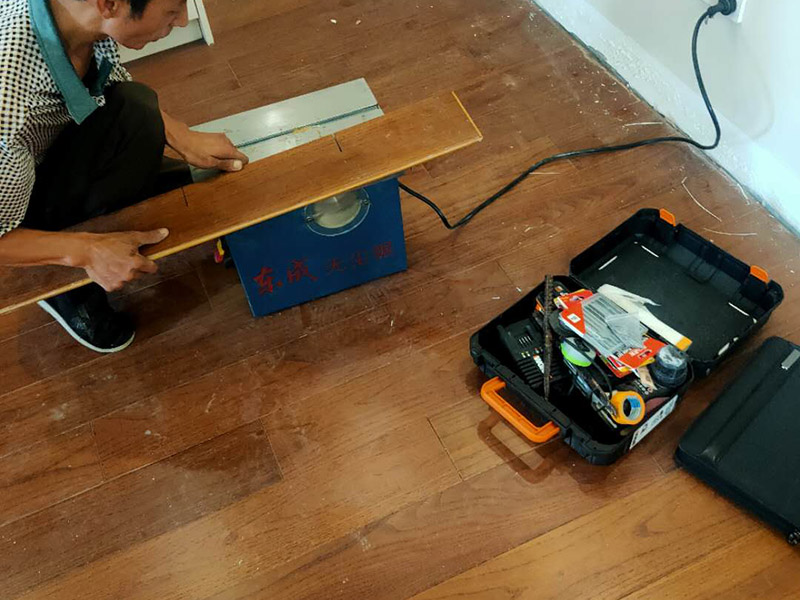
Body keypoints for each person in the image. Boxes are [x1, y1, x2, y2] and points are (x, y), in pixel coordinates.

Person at [0, 0, 248, 352]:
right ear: (109, 4)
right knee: (138, 115)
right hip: (10, 207)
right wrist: (84, 252)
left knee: (137, 112)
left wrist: (179, 134)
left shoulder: (81, 20)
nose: (182, 21)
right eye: (172, 9)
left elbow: (109, 82)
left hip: (40, 156)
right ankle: (66, 288)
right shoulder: (8, 103)